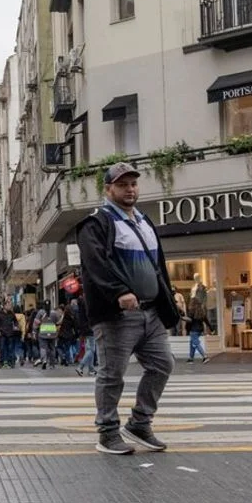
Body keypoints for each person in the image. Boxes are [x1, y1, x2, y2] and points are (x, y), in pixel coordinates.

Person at [77, 162, 179, 455]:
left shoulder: (144, 221)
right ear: (108, 189)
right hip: (118, 315)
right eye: (122, 185)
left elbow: (158, 266)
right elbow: (95, 264)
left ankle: (140, 423)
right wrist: (119, 292)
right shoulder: (97, 223)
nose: (130, 189)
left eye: (133, 184)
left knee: (163, 364)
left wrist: (166, 299)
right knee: (112, 375)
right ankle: (108, 432)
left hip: (151, 312)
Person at [184, 298, 211, 364]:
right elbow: (206, 320)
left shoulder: (191, 311)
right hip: (200, 330)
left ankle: (205, 357)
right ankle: (191, 359)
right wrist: (211, 328)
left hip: (193, 330)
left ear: (192, 304)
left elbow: (189, 321)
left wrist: (186, 329)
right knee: (192, 343)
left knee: (196, 343)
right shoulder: (201, 311)